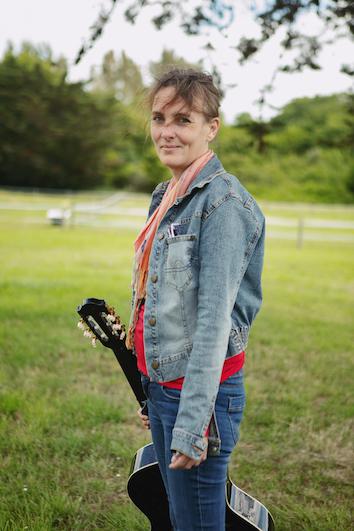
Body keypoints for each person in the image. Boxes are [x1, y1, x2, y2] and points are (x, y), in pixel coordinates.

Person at [126, 68, 265, 531]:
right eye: (159, 117)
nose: (166, 131)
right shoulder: (167, 196)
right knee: (177, 516)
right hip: (167, 388)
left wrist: (191, 420)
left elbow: (212, 324)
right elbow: (159, 304)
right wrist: (151, 386)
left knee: (195, 523)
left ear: (212, 127)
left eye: (183, 119)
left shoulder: (223, 205)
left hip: (199, 397)